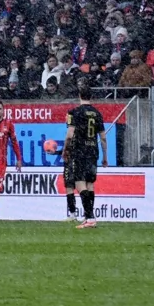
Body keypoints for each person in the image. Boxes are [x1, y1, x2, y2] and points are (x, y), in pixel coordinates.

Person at [63, 91, 104, 229]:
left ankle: (90, 217)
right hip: (93, 152)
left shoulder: (74, 112)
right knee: (90, 184)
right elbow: (103, 138)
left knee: (80, 184)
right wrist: (105, 157)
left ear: (79, 96)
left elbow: (69, 135)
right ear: (90, 96)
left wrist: (65, 150)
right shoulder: (97, 113)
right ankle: (90, 217)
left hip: (79, 152)